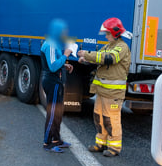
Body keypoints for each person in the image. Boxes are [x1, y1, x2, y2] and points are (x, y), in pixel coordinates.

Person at [77, 18, 131, 157]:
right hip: (102, 92)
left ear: (115, 33)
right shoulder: (108, 46)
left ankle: (114, 147)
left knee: (111, 119)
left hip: (113, 93)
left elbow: (109, 58)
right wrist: (86, 60)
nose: (106, 37)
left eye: (107, 34)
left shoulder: (122, 47)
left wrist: (87, 54)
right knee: (99, 117)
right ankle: (101, 143)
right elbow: (99, 58)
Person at [40, 19, 74, 153]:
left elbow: (53, 63)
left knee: (58, 112)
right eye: (63, 31)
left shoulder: (54, 43)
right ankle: (47, 142)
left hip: (57, 81)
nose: (65, 33)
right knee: (53, 112)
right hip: (52, 82)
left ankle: (56, 139)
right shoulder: (51, 45)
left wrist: (64, 65)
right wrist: (66, 55)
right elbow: (53, 66)